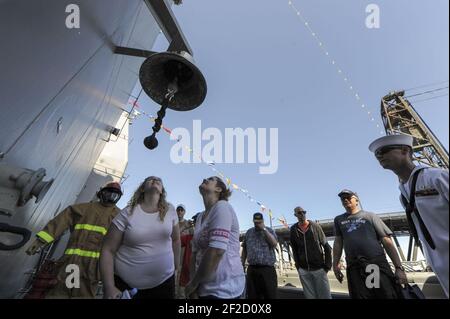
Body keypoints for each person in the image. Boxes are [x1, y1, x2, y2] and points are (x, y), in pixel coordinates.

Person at [369, 134, 449, 297]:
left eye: (384, 151)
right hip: (441, 266)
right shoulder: (403, 194)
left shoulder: (437, 177)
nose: (380, 156)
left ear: (405, 150)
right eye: (377, 154)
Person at [26, 181, 122, 298]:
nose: (111, 197)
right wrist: (41, 240)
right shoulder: (82, 209)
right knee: (60, 293)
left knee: (84, 296)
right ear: (101, 193)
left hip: (93, 267)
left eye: (115, 195)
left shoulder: (120, 217)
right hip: (72, 263)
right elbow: (60, 222)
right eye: (108, 193)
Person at [99, 176, 180, 299]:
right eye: (150, 179)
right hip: (124, 285)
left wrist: (176, 267)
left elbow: (176, 239)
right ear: (142, 189)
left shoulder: (170, 210)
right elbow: (107, 249)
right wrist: (109, 286)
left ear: (162, 191)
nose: (155, 180)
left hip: (164, 284)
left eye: (159, 180)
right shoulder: (128, 212)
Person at [333, 189, 408, 299]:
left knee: (383, 295)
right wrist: (335, 264)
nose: (345, 199)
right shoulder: (338, 220)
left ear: (357, 200)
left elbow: (386, 241)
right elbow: (338, 243)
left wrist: (399, 268)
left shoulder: (370, 216)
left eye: (348, 197)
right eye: (342, 198)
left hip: (373, 264)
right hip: (354, 266)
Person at [185, 176, 245, 299]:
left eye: (211, 179)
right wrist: (193, 287)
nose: (205, 178)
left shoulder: (222, 206)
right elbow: (194, 254)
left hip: (225, 290)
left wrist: (193, 283)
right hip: (203, 289)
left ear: (218, 189)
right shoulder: (200, 217)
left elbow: (217, 251)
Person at [290, 206, 332, 299]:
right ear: (295, 215)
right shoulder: (293, 229)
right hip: (304, 270)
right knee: (310, 297)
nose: (302, 214)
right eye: (299, 213)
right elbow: (294, 249)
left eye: (304, 212)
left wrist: (327, 266)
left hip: (319, 269)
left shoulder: (315, 227)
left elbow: (326, 246)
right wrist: (298, 266)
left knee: (325, 296)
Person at [241, 212, 278, 299]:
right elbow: (245, 249)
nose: (257, 223)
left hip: (267, 270)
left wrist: (264, 229)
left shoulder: (269, 230)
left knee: (270, 295)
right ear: (253, 221)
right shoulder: (249, 232)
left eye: (259, 221)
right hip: (252, 269)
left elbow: (274, 244)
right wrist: (242, 263)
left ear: (263, 221)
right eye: (256, 221)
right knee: (252, 296)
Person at [175, 204, 195, 298]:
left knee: (184, 288)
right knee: (174, 285)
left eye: (181, 210)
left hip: (185, 258)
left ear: (184, 212)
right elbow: (172, 239)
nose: (179, 211)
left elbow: (194, 237)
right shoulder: (173, 224)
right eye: (178, 209)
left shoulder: (189, 224)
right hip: (174, 258)